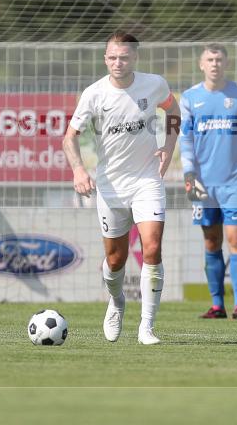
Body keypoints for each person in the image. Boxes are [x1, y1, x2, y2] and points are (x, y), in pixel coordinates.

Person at [63, 31, 180, 345]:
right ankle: (116, 302)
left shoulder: (154, 84)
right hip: (110, 187)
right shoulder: (94, 94)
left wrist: (168, 147)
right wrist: (78, 170)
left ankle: (147, 328)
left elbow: (173, 110)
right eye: (112, 57)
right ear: (105, 58)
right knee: (115, 260)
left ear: (135, 58)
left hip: (147, 181)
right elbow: (69, 137)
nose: (118, 62)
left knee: (152, 248)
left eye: (124, 57)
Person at [179, 43, 237, 320]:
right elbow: (186, 139)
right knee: (211, 242)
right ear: (201, 64)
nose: (214, 64)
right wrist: (189, 173)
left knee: (236, 239)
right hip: (204, 184)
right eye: (210, 59)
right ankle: (217, 305)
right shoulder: (190, 97)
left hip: (234, 182)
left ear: (226, 63)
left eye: (219, 59)